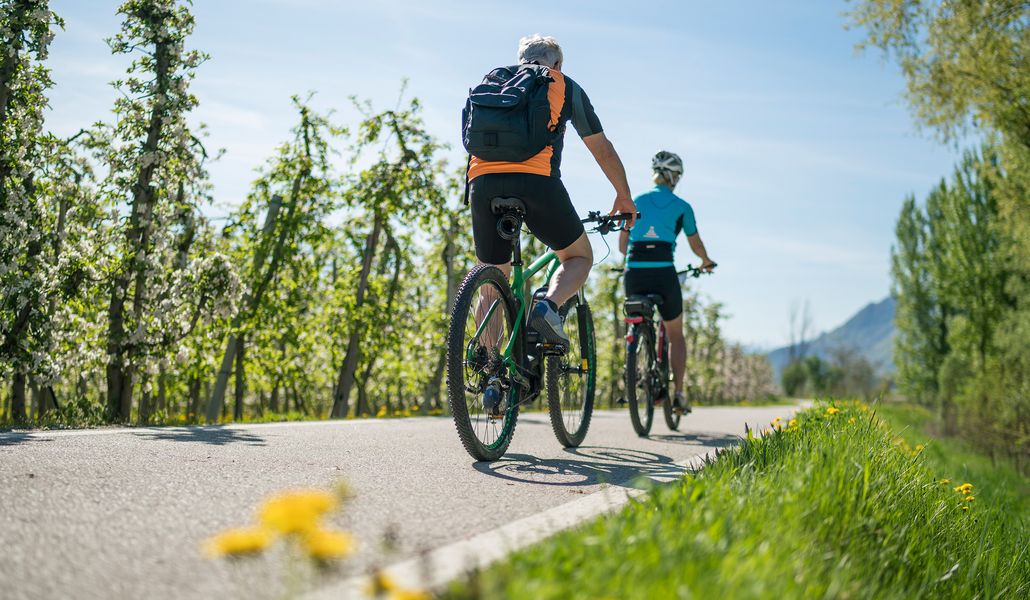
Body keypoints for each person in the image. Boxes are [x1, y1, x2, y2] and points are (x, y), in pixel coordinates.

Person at [467, 34, 636, 345]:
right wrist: (623, 195)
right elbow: (601, 147)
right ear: (556, 63)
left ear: (521, 59)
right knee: (578, 257)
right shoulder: (561, 83)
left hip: (482, 183)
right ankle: (548, 305)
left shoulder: (492, 80)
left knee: (492, 280)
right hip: (537, 183)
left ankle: (491, 374)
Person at [619, 151, 716, 414]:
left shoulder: (636, 201)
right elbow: (695, 244)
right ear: (674, 177)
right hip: (664, 274)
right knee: (675, 335)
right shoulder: (682, 207)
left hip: (634, 274)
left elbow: (622, 246)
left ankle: (634, 359)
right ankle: (679, 394)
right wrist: (706, 261)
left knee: (635, 322)